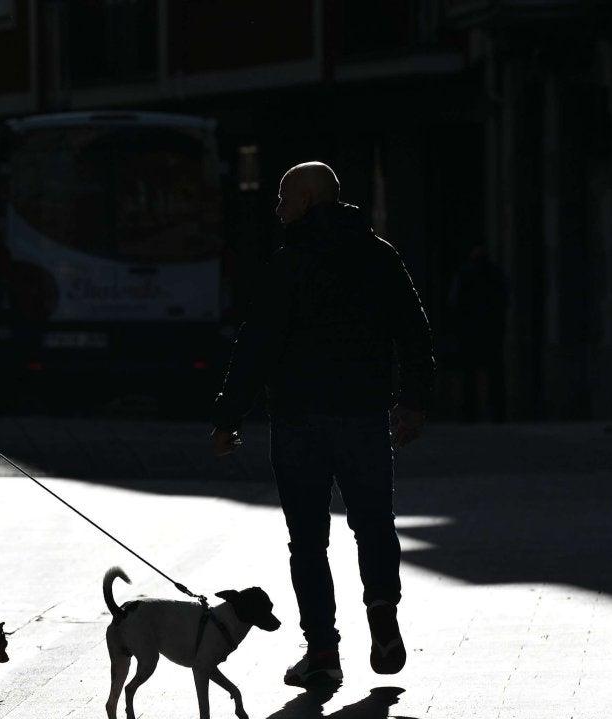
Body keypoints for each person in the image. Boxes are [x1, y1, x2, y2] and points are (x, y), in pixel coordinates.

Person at [210, 162, 434, 687]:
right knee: (374, 523)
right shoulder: (379, 255)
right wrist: (413, 402)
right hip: (363, 417)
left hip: (299, 422)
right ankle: (382, 610)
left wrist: (227, 419)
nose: (278, 208)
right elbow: (414, 331)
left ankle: (323, 652)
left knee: (308, 543)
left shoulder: (288, 263)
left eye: (284, 197)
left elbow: (255, 347)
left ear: (308, 201)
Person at [445, 245, 508, 422]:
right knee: (494, 372)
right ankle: (497, 411)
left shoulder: (465, 274)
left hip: (470, 332)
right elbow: (504, 300)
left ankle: (470, 412)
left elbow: (454, 303)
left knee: (470, 373)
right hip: (490, 331)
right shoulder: (495, 274)